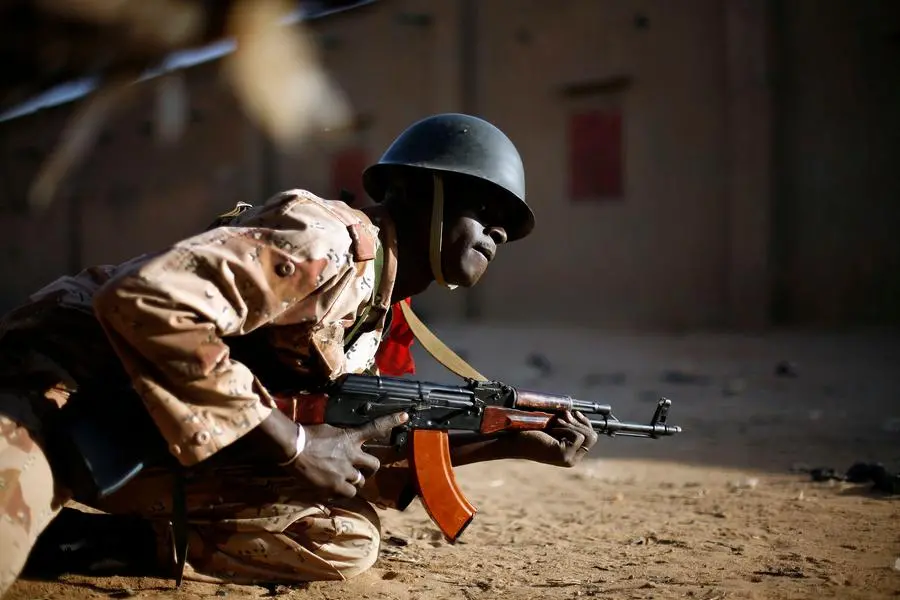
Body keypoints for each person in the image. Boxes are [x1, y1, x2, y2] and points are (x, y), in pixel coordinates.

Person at [0, 113, 599, 595]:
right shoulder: (325, 240)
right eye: (484, 210)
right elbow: (146, 303)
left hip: (137, 433)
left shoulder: (377, 318)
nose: (496, 234)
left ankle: (76, 543)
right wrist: (293, 446)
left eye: (507, 228)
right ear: (420, 193)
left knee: (339, 535)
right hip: (54, 387)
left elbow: (363, 459)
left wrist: (508, 441)